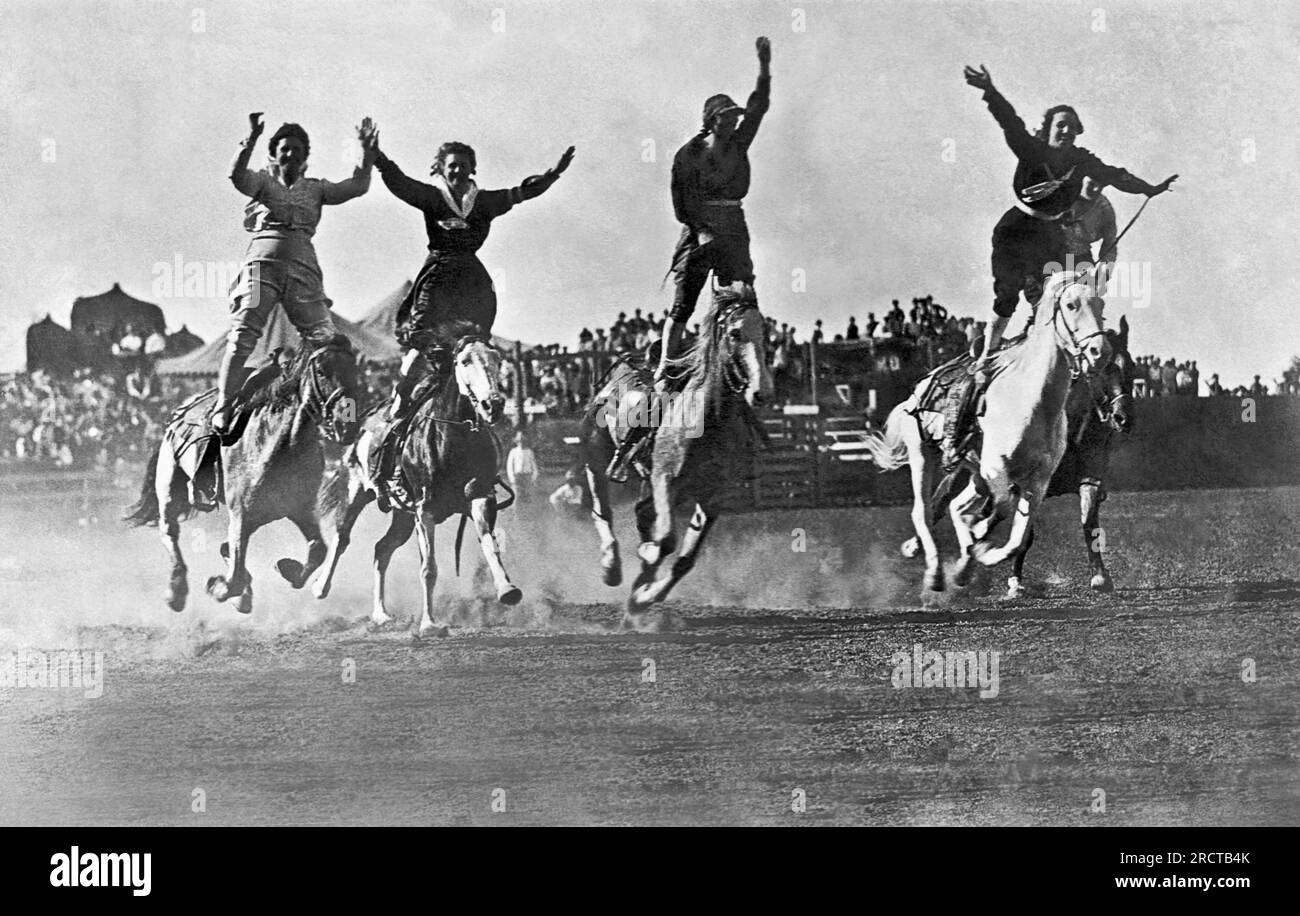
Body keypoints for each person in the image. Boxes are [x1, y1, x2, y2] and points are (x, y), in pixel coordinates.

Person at [937, 65, 1178, 471]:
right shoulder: (1031, 150)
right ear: (1047, 129)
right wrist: (990, 89)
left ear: (1077, 132)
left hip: (1049, 235)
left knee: (1067, 292)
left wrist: (1150, 188)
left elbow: (1117, 176)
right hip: (1017, 229)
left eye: (1071, 126)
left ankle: (1054, 356)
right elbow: (1007, 120)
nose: (1064, 131)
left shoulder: (1082, 161)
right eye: (1058, 125)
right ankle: (986, 359)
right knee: (1005, 297)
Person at [365, 131, 575, 420]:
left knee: (477, 344)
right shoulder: (432, 197)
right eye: (451, 165)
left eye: (463, 165)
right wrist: (378, 158)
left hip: (471, 281)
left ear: (472, 168)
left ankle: (483, 403)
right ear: (441, 168)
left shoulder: (485, 202)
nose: (457, 170)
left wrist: (552, 176)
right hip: (437, 278)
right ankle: (400, 401)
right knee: (421, 343)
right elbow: (401, 184)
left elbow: (521, 193)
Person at [212, 113, 376, 435]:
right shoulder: (263, 182)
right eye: (285, 148)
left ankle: (344, 418)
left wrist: (365, 155)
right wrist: (251, 138)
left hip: (303, 271)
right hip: (261, 268)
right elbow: (236, 176)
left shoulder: (315, 189)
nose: (291, 154)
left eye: (298, 150)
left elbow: (357, 187)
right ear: (274, 153)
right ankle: (223, 403)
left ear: (305, 157)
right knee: (244, 331)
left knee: (329, 343)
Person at [656, 36, 772, 386]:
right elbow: (681, 202)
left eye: (735, 117)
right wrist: (701, 229)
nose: (734, 122)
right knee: (684, 304)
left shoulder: (738, 143)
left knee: (742, 297)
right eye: (727, 117)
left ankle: (740, 365)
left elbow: (759, 106)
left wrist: (764, 67)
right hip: (700, 227)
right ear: (711, 120)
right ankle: (666, 364)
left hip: (734, 225)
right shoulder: (688, 155)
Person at [505, 431, 540, 503]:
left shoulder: (529, 451)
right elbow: (509, 466)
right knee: (516, 496)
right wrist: (512, 478)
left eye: (522, 441)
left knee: (528, 496)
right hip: (517, 476)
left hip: (527, 476)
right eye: (519, 441)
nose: (521, 443)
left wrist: (534, 477)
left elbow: (533, 465)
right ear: (516, 442)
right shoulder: (513, 452)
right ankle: (517, 511)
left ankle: (527, 511)